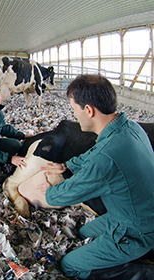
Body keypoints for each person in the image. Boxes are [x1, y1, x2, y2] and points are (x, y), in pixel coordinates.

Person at [38, 74, 154, 279]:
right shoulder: (130, 127)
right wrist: (66, 164)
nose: (74, 116)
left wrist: (47, 192)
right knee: (82, 233)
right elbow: (96, 153)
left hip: (136, 230)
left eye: (74, 110)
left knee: (70, 265)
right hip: (134, 212)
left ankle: (144, 273)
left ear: (89, 110)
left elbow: (68, 193)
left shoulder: (105, 159)